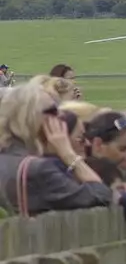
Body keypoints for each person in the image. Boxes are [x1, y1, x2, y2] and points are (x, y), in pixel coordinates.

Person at [0, 83, 113, 216]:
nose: (60, 115)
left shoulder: (8, 156)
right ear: (29, 117)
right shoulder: (38, 169)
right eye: (53, 111)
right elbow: (100, 195)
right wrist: (68, 154)